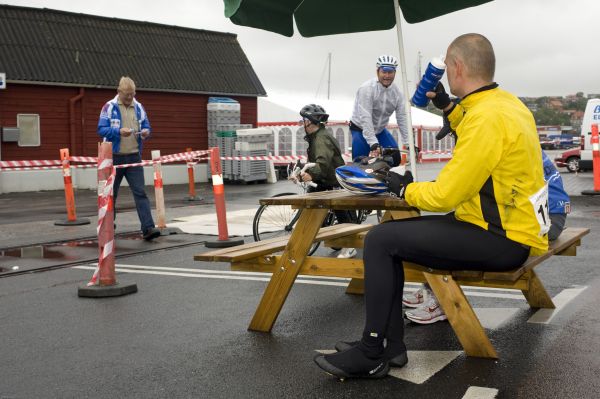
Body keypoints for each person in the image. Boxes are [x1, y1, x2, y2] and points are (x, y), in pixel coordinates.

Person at [314, 33, 549, 379]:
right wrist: (449, 108)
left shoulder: (486, 118)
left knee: (381, 240)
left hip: (499, 237)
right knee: (388, 237)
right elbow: (478, 134)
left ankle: (372, 350)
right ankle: (389, 348)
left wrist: (405, 187)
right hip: (506, 226)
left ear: (455, 67)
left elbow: (445, 194)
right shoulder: (507, 105)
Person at [404, 122, 571, 323]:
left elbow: (455, 189)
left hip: (545, 220)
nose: (453, 139)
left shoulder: (487, 142)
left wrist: (412, 189)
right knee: (454, 228)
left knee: (452, 236)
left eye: (454, 133)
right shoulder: (505, 134)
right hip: (549, 213)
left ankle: (442, 298)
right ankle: (432, 288)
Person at [97, 76, 160, 241]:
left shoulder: (139, 107)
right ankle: (108, 225)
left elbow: (147, 126)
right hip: (113, 158)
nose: (130, 98)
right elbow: (101, 129)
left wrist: (146, 132)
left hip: (133, 157)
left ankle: (148, 228)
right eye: (127, 95)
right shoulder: (108, 107)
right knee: (111, 194)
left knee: (140, 193)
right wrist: (118, 132)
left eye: (132, 94)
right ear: (119, 92)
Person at [297, 104, 358, 259]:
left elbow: (322, 163)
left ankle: (351, 246)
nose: (302, 123)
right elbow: (315, 162)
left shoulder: (321, 138)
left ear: (309, 122)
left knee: (340, 212)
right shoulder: (316, 136)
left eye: (303, 119)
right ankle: (302, 243)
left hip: (332, 179)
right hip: (326, 178)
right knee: (311, 208)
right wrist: (302, 173)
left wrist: (311, 175)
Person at [349, 55, 409, 161]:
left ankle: (383, 175)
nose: (387, 75)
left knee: (394, 158)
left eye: (390, 72)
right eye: (384, 72)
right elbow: (365, 116)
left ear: (395, 73)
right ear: (378, 72)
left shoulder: (397, 93)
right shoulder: (366, 89)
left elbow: (402, 117)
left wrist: (409, 142)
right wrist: (373, 142)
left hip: (379, 130)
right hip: (360, 128)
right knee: (360, 161)